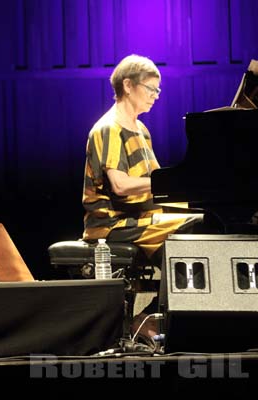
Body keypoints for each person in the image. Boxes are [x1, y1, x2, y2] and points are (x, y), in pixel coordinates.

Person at [81, 55, 202, 337]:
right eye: (151, 89)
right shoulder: (108, 128)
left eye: (157, 90)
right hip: (113, 225)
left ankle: (162, 317)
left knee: (204, 221)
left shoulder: (141, 130)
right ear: (128, 85)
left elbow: (157, 186)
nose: (156, 96)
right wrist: (173, 185)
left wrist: (193, 198)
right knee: (192, 230)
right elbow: (121, 186)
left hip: (141, 217)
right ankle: (149, 320)